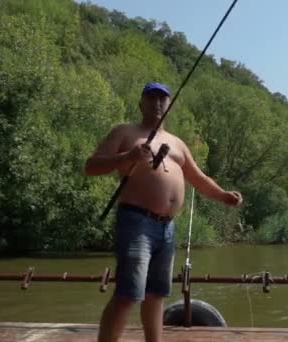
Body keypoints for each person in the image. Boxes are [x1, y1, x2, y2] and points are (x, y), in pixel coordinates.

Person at [84, 81, 243, 342]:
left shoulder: (177, 144)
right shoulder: (125, 132)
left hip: (167, 227)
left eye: (162, 99)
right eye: (152, 97)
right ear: (141, 103)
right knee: (127, 294)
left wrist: (224, 196)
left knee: (156, 294)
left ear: (169, 105)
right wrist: (127, 157)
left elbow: (199, 178)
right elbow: (91, 166)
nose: (157, 103)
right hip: (136, 222)